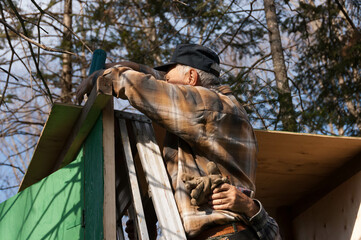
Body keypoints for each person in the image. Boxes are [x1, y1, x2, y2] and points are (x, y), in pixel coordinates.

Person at [76, 44, 281, 240]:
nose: (165, 84)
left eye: (169, 80)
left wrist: (106, 77)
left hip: (225, 235)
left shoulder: (212, 106)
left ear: (191, 77)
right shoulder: (204, 124)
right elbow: (159, 81)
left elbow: (149, 88)